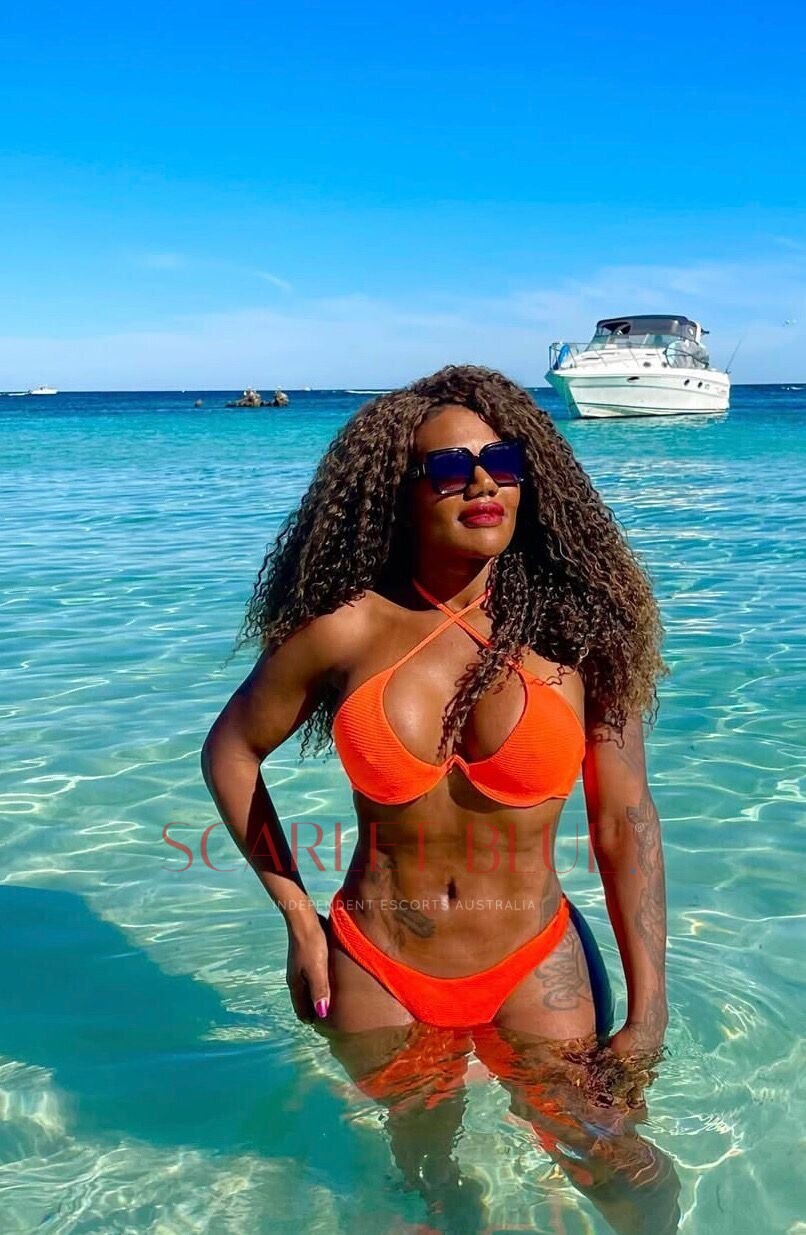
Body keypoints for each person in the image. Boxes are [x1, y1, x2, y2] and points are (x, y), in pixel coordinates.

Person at [201, 364, 679, 1232]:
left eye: (504, 461)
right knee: (425, 1174)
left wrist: (649, 1007)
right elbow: (231, 751)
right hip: (376, 967)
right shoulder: (346, 630)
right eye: (451, 468)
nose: (484, 482)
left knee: (621, 1166)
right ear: (400, 491)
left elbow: (625, 821)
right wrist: (298, 916)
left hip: (533, 960)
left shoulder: (578, 637)